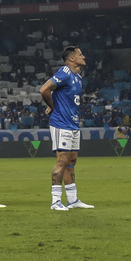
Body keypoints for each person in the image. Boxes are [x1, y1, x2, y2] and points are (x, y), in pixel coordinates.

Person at [40, 46, 93, 210]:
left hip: (73, 123)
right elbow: (44, 89)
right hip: (61, 124)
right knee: (62, 161)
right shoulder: (65, 72)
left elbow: (64, 97)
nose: (83, 56)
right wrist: (52, 106)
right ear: (71, 59)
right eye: (80, 54)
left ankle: (73, 199)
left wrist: (54, 104)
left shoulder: (77, 78)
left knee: (71, 161)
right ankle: (56, 201)